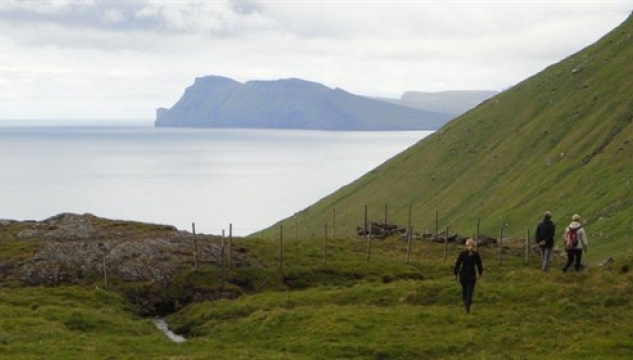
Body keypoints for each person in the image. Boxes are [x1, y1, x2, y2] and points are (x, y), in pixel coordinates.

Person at [453, 238, 484, 314]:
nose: (470, 247)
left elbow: (479, 265)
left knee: (469, 292)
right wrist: (455, 274)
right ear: (466, 246)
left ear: (474, 246)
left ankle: (467, 307)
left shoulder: (475, 255)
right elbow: (457, 264)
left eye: (472, 246)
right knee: (465, 291)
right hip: (464, 276)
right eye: (469, 246)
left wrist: (480, 273)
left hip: (471, 277)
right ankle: (466, 304)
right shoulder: (463, 254)